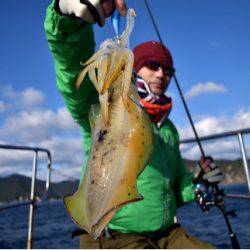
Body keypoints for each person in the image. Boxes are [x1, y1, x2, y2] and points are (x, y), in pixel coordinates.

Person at [44, 0, 223, 248]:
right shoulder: (99, 109)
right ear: (134, 71)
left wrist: (199, 184)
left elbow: (175, 189)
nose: (162, 74)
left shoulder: (169, 130)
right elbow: (72, 70)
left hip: (168, 233)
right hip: (115, 234)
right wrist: (68, 18)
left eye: (168, 70)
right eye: (153, 65)